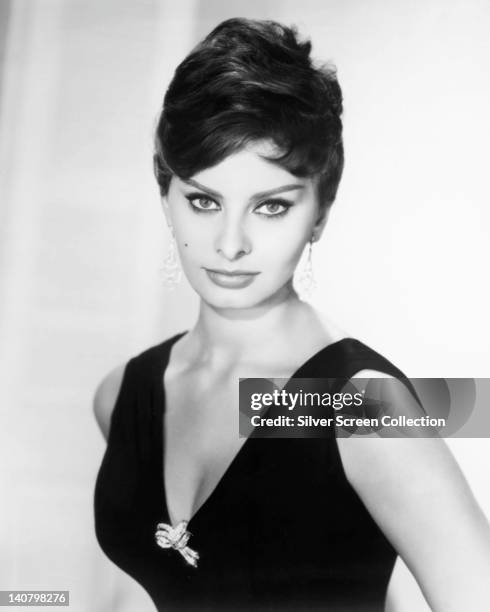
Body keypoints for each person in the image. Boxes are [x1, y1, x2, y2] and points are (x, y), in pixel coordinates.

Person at [93, 17, 490, 612]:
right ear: (165, 195)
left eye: (271, 206)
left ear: (321, 211)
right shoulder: (124, 395)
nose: (230, 244)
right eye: (203, 200)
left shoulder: (357, 405)